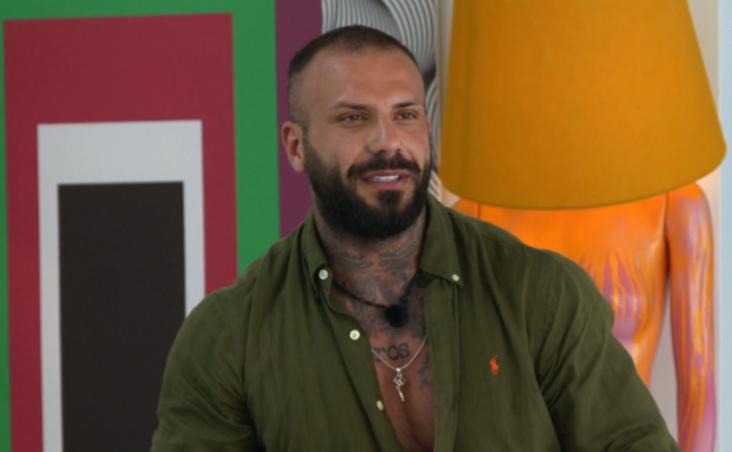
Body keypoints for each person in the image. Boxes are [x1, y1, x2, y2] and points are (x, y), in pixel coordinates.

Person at [150, 25, 679, 451]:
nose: (388, 142)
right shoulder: (229, 336)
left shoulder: (539, 294)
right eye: (353, 118)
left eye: (405, 115)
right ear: (296, 146)